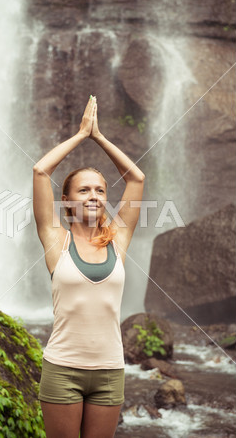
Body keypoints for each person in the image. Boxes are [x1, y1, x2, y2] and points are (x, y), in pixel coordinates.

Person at [33, 95, 145, 438]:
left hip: (110, 371)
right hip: (62, 368)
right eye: (84, 190)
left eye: (99, 190)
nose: (94, 195)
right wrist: (81, 135)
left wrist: (100, 137)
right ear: (66, 201)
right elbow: (40, 170)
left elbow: (136, 179)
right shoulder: (56, 241)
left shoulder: (118, 241)